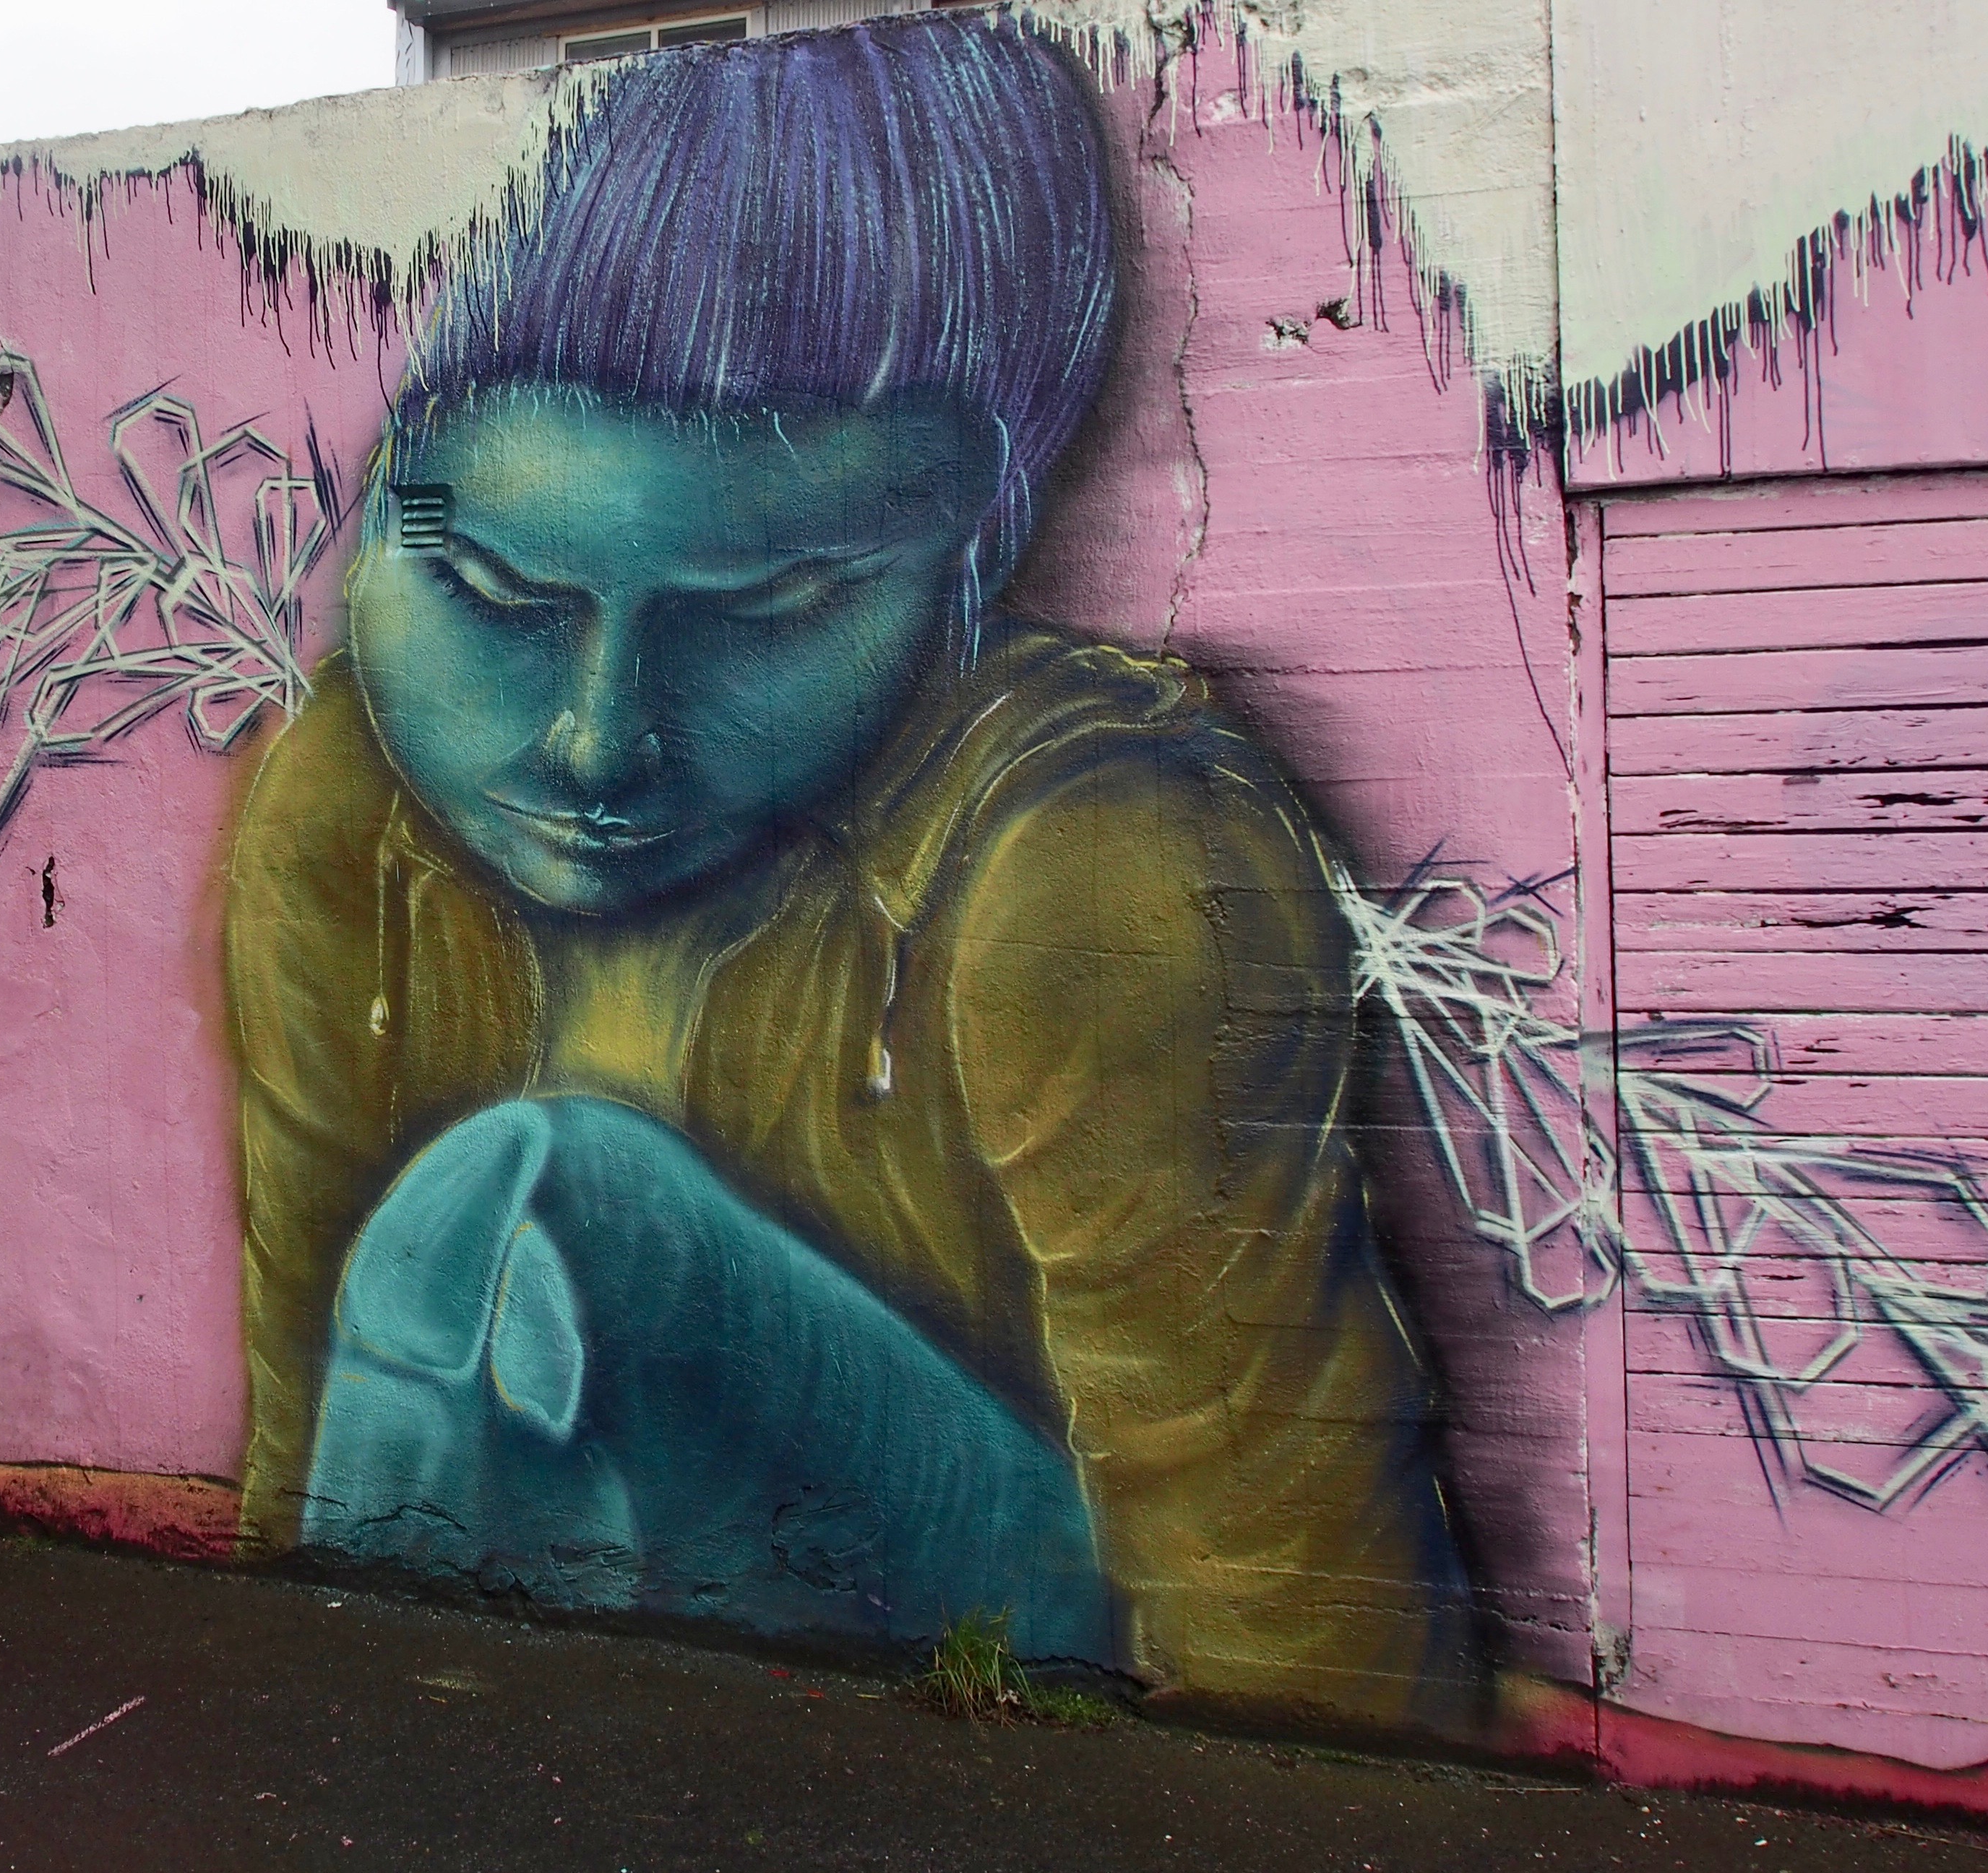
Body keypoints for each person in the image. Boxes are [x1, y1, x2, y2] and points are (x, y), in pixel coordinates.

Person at [222, 15, 1477, 1728]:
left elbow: (1296, 1619)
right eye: (495, 596)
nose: (598, 744)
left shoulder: (1091, 851)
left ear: (975, 560)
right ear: (384, 521)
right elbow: (300, 1424)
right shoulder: (346, 815)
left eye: (770, 614)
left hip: (1021, 1703)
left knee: (543, 1212)